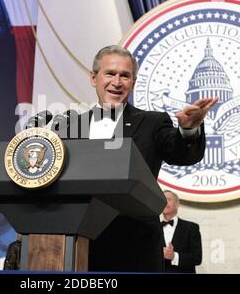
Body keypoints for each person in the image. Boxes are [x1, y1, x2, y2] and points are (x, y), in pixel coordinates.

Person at [74, 45, 217, 272]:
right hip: (80, 243)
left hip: (135, 244)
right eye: (110, 73)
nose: (117, 82)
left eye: (125, 75)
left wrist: (188, 130)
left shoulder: (152, 122)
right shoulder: (71, 125)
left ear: (133, 81)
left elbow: (181, 154)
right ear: (93, 78)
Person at [161, 190, 202, 273]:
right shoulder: (152, 229)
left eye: (168, 199)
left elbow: (197, 258)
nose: (165, 202)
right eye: (162, 200)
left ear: (177, 205)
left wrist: (174, 256)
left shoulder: (191, 228)